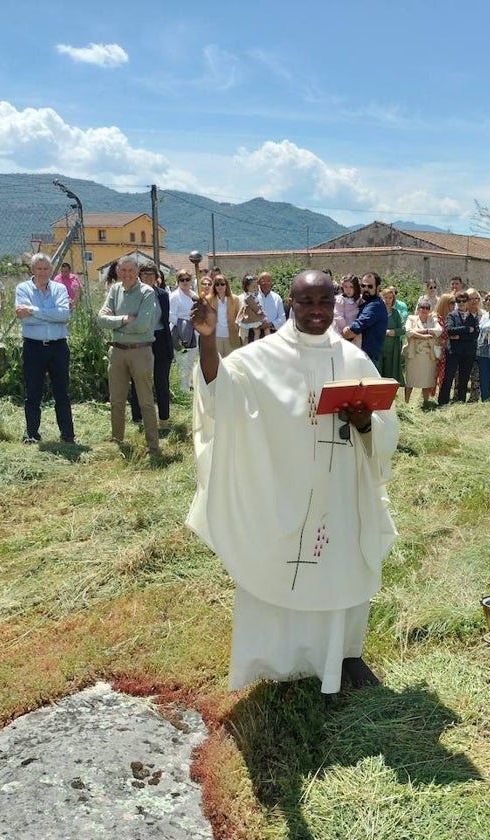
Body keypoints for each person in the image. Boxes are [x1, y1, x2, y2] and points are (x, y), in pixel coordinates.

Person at [185, 269, 398, 694]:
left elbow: (385, 424)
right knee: (284, 566)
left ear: (334, 303)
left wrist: (365, 421)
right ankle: (279, 662)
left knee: (341, 563)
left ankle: (343, 655)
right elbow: (218, 393)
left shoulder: (354, 359)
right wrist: (208, 339)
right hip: (284, 490)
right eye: (306, 303)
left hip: (340, 491)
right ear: (291, 306)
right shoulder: (260, 357)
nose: (316, 312)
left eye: (324, 302)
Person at [97, 255, 161, 458]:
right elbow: (101, 319)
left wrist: (115, 323)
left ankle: (153, 446)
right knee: (116, 399)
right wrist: (124, 319)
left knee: (145, 401)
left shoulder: (146, 292)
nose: (126, 274)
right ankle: (117, 440)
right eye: (122, 270)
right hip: (117, 351)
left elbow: (142, 324)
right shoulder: (115, 290)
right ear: (117, 272)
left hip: (140, 351)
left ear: (137, 272)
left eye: (130, 270)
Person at [15, 252, 74, 444]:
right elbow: (25, 320)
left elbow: (64, 315)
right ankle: (32, 434)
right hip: (34, 348)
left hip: (58, 347)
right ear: (32, 269)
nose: (42, 272)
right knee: (33, 393)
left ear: (51, 270)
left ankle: (67, 434)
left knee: (62, 393)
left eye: (46, 268)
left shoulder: (59, 289)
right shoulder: (23, 289)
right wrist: (50, 314)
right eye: (38, 268)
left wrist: (33, 310)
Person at [128, 263, 174, 430]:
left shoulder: (162, 295)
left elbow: (166, 318)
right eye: (144, 274)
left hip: (160, 339)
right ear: (139, 276)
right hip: (140, 341)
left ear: (157, 278)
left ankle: (164, 420)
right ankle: (138, 419)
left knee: (161, 381)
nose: (148, 278)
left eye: (151, 275)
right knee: (139, 380)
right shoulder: (133, 295)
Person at [439, 288, 478, 405]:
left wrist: (460, 337)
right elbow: (450, 330)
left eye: (463, 301)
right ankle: (443, 402)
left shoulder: (473, 317)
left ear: (467, 302)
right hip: (454, 352)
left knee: (464, 378)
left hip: (468, 352)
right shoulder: (451, 315)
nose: (461, 303)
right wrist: (467, 329)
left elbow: (475, 334)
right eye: (458, 301)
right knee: (449, 377)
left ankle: (460, 401)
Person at [342, 273, 388, 365]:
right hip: (361, 357)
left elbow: (353, 331)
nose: (366, 289)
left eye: (370, 286)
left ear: (378, 288)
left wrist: (343, 332)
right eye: (363, 286)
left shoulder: (375, 306)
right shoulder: (367, 303)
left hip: (367, 359)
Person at [402, 296, 441, 404]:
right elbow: (408, 331)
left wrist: (422, 331)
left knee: (427, 381)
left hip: (428, 355)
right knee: (410, 380)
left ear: (429, 310)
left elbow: (439, 331)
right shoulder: (411, 318)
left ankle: (426, 402)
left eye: (427, 308)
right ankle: (406, 402)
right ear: (418, 309)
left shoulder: (433, 319)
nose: (424, 310)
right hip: (414, 354)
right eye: (422, 308)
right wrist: (424, 335)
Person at [170, 269, 199, 392]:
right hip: (180, 331)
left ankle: (187, 384)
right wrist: (184, 325)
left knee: (191, 359)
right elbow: (171, 315)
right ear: (178, 281)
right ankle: (182, 387)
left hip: (195, 330)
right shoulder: (174, 296)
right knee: (183, 360)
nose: (185, 282)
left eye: (187, 279)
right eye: (182, 280)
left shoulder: (194, 294)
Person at [376, 286, 405, 384]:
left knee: (389, 377)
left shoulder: (396, 313)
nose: (388, 300)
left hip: (392, 350)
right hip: (378, 349)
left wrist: (393, 332)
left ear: (393, 299)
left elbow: (403, 329)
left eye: (390, 298)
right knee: (377, 374)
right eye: (385, 297)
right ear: (381, 298)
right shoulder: (376, 312)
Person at [208, 272, 241, 358]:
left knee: (231, 362)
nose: (220, 287)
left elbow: (239, 316)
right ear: (214, 286)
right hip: (215, 336)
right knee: (218, 363)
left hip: (231, 336)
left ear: (226, 285)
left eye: (222, 284)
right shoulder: (209, 299)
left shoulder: (235, 299)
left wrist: (237, 326)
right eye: (217, 284)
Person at [433, 292, 454, 395]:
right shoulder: (435, 317)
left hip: (447, 349)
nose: (454, 305)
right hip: (436, 349)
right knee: (433, 373)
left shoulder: (453, 317)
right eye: (452, 303)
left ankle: (441, 394)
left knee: (444, 374)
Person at [236, 274, 266, 344]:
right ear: (247, 286)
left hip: (257, 328)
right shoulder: (240, 298)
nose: (255, 288)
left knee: (257, 333)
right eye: (253, 286)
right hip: (245, 333)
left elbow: (258, 306)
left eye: (256, 286)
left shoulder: (257, 296)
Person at [333, 275, 362, 346]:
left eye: (351, 287)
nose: (348, 290)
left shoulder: (359, 299)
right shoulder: (340, 300)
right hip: (344, 332)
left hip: (356, 333)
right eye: (346, 287)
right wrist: (346, 329)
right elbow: (338, 316)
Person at [257, 271, 286, 337]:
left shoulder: (277, 297)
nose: (266, 283)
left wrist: (269, 324)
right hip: (256, 333)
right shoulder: (253, 297)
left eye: (268, 281)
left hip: (273, 333)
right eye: (263, 281)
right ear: (258, 283)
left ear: (272, 283)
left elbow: (282, 318)